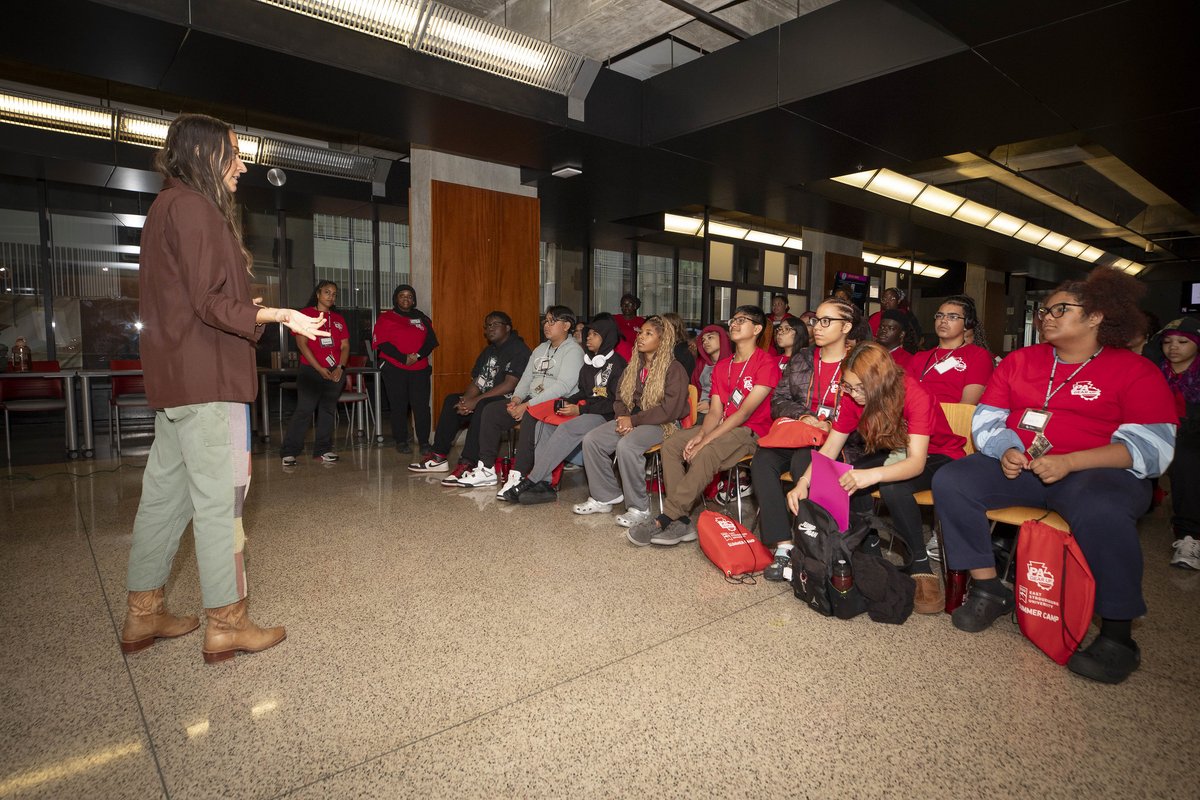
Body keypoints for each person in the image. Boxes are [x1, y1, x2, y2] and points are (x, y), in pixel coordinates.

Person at [121, 113, 324, 663]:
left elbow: (187, 301)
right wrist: (279, 313)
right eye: (233, 153)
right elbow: (209, 303)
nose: (242, 164)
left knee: (163, 501)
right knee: (222, 503)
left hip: (177, 383)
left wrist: (245, 309)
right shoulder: (196, 208)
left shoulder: (165, 206)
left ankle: (143, 614)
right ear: (205, 154)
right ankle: (227, 622)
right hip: (210, 381)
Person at [931, 268, 1177, 684]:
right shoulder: (1020, 361)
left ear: (1097, 316)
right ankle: (989, 587)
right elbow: (987, 418)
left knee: (1102, 510)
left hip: (1096, 473)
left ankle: (1118, 636)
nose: (1047, 316)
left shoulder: (1134, 370)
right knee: (953, 480)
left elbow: (1155, 449)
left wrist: (1072, 462)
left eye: (1060, 309)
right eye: (1045, 309)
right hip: (1023, 466)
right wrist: (1005, 448)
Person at [786, 342, 967, 610]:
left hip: (938, 455)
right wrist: (802, 482)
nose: (853, 394)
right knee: (850, 475)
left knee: (892, 488)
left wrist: (873, 475)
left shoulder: (913, 394)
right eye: (847, 386)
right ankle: (868, 552)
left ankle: (920, 563)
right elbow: (830, 448)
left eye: (860, 388)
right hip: (895, 450)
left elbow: (916, 462)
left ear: (880, 382)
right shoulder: (851, 397)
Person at [629, 305, 779, 546]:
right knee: (671, 444)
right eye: (733, 319)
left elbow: (743, 414)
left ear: (757, 329)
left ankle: (666, 518)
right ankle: (683, 522)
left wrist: (704, 441)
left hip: (750, 432)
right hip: (721, 425)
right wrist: (700, 435)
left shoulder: (766, 364)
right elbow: (715, 411)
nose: (734, 324)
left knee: (706, 452)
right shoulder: (723, 365)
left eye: (743, 320)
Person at [752, 298, 858, 580]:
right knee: (762, 461)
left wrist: (830, 422)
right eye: (815, 320)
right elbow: (779, 399)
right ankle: (783, 547)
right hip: (800, 431)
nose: (817, 327)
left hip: (838, 440)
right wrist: (804, 416)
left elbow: (868, 409)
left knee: (805, 464)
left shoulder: (859, 360)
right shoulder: (802, 358)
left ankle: (810, 546)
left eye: (826, 321)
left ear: (846, 326)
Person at [577, 315, 691, 528]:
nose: (641, 337)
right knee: (592, 439)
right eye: (641, 332)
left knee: (627, 445)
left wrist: (633, 420)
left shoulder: (674, 369)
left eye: (649, 334)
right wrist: (622, 417)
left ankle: (640, 508)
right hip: (633, 420)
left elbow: (670, 410)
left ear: (663, 339)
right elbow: (619, 396)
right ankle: (605, 496)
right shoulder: (634, 366)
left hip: (662, 425)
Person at [454, 306, 583, 488]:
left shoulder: (574, 351)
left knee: (531, 415)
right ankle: (486, 469)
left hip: (556, 403)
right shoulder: (540, 349)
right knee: (491, 411)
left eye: (553, 321)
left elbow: (563, 386)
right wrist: (516, 399)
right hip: (531, 399)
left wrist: (527, 405)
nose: (547, 325)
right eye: (546, 320)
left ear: (566, 325)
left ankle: (519, 475)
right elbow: (526, 379)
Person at [507, 317, 626, 504]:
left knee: (566, 429)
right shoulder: (589, 364)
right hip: (586, 411)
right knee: (542, 426)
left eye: (595, 335)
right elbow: (583, 392)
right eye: (588, 334)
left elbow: (614, 403)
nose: (588, 338)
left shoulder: (619, 366)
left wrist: (580, 410)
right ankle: (545, 484)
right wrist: (566, 401)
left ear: (608, 338)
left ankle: (532, 479)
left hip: (605, 416)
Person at [409, 311, 530, 479]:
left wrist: (475, 401)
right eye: (487, 326)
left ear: (507, 328)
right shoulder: (489, 351)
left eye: (495, 324)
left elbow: (510, 384)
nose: (490, 329)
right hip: (487, 398)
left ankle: (468, 463)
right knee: (453, 400)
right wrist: (466, 400)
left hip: (510, 400)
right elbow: (479, 380)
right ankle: (438, 457)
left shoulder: (519, 349)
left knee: (482, 406)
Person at [279, 280, 350, 466]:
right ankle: (289, 451)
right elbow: (302, 344)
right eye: (327, 292)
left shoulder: (339, 319)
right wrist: (319, 368)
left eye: (334, 294)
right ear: (318, 294)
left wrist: (340, 369)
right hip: (311, 371)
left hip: (335, 372)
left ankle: (323, 450)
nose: (331, 296)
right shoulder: (305, 315)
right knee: (305, 410)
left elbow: (345, 346)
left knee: (327, 410)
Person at [373, 284, 438, 451]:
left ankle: (424, 442)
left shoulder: (422, 317)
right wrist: (403, 358)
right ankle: (401, 441)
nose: (406, 298)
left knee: (422, 406)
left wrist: (416, 356)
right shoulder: (386, 318)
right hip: (395, 368)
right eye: (402, 295)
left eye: (409, 296)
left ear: (414, 299)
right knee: (398, 405)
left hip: (419, 368)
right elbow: (382, 343)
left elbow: (431, 341)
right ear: (396, 298)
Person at [1160, 317, 1200, 569]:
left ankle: (1191, 537)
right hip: (1161, 432)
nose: (1174, 347)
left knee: (1187, 462)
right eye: (1167, 342)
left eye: (1183, 342)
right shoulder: (1153, 371)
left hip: (1192, 438)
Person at [909, 295, 993, 405]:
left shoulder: (978, 355)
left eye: (952, 317)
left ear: (966, 324)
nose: (943, 320)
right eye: (939, 316)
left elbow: (967, 405)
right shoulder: (919, 358)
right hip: (916, 417)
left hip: (953, 418)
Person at [691, 324, 731, 423]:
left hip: (722, 413)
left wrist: (709, 404)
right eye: (703, 340)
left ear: (722, 339)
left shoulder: (732, 364)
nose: (706, 342)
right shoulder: (701, 365)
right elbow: (695, 388)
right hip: (699, 410)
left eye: (710, 337)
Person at [662, 312, 696, 378]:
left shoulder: (682, 351)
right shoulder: (667, 347)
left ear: (676, 329)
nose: (661, 330)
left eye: (664, 327)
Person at [614, 293, 644, 362]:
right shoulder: (615, 319)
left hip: (636, 357)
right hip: (618, 357)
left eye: (629, 304)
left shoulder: (641, 321)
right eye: (623, 304)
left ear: (635, 306)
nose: (626, 306)